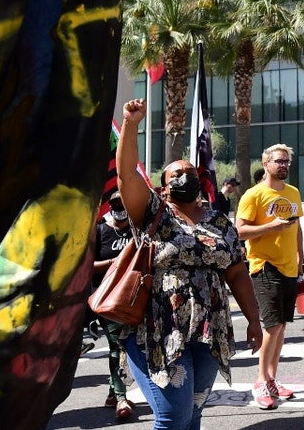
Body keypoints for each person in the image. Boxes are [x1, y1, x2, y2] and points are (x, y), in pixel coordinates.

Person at [115, 98, 262, 430]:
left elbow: (237, 272)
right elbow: (125, 176)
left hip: (209, 331)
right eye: (177, 174)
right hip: (158, 329)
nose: (185, 176)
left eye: (190, 172)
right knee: (172, 417)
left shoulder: (219, 222)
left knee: (193, 415)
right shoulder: (153, 214)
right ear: (164, 188)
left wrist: (254, 320)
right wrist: (131, 124)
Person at [235, 144, 304, 410]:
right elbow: (239, 231)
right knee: (272, 326)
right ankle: (260, 382)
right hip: (264, 266)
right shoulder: (254, 195)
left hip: (288, 266)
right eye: (279, 161)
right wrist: (271, 226)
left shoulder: (293, 193)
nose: (284, 165)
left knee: (282, 326)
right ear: (266, 164)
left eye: (287, 161)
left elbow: (297, 228)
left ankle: (272, 379)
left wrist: (299, 258)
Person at [91, 194, 136, 422]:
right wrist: (115, 262)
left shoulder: (137, 229)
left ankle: (112, 392)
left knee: (131, 346)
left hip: (133, 299)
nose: (120, 208)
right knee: (117, 346)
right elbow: (88, 267)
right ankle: (120, 397)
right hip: (108, 299)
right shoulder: (100, 231)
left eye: (124, 203)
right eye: (115, 204)